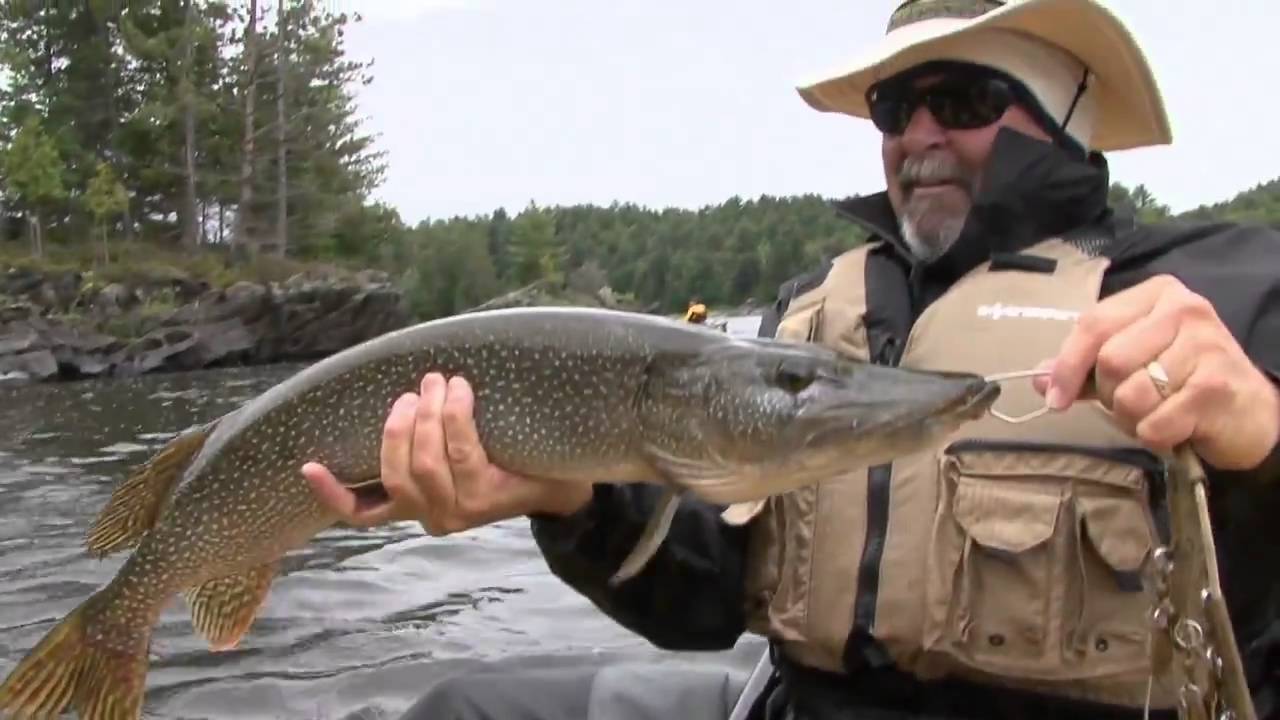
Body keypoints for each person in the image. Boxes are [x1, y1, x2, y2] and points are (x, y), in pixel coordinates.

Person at [302, 0, 1280, 718]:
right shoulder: (814, 314)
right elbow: (704, 597)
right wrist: (569, 502)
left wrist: (1264, 442)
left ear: (1065, 112)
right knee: (459, 711)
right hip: (794, 705)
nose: (919, 136)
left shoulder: (1226, 285)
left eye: (964, 98)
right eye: (895, 108)